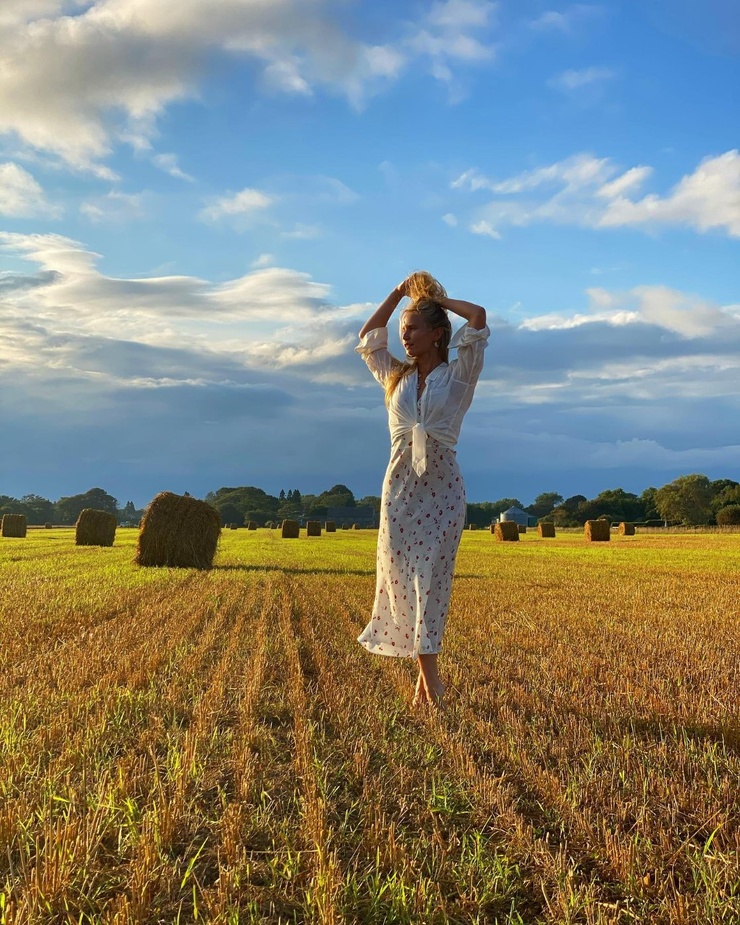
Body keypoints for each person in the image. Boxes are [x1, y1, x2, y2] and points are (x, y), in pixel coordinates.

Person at [356, 271, 489, 707]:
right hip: (397, 493)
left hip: (443, 491)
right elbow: (368, 336)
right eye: (402, 331)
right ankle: (426, 682)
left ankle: (432, 684)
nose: (404, 337)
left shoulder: (460, 376)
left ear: (436, 334)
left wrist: (436, 301)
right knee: (400, 582)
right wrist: (398, 293)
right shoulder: (395, 376)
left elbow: (479, 317)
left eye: (412, 329)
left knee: (431, 583)